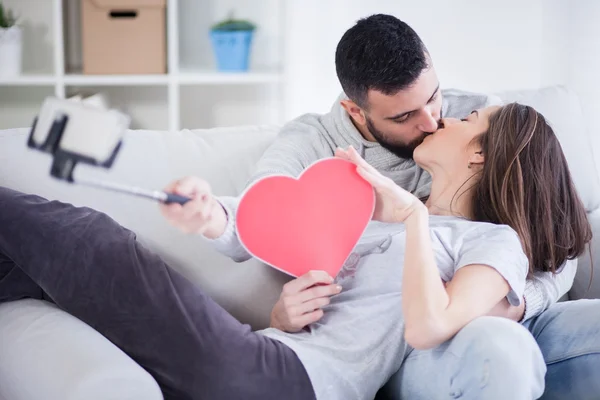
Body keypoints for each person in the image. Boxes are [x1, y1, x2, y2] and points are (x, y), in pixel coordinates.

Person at [0, 102, 590, 399]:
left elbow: (430, 326)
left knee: (92, 240)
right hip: (266, 357)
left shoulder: (492, 241)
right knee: (29, 270)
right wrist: (212, 214)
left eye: (466, 118)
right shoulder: (385, 206)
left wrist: (411, 216)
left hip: (292, 384)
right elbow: (275, 227)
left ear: (482, 154)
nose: (443, 118)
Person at [167, 14, 600, 400]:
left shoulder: (474, 118)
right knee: (496, 348)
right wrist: (209, 217)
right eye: (404, 117)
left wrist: (514, 300)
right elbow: (258, 213)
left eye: (433, 97)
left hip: (486, 302)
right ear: (355, 110)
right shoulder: (314, 147)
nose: (432, 121)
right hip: (406, 338)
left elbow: (551, 217)